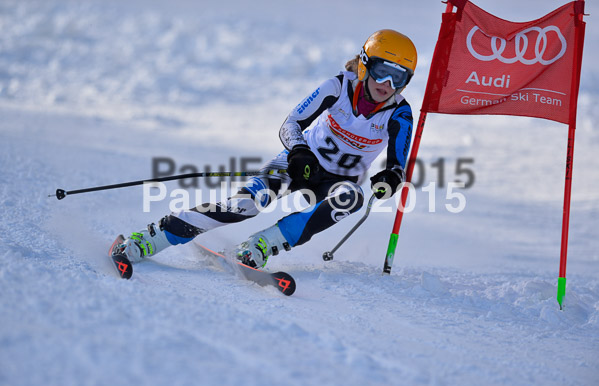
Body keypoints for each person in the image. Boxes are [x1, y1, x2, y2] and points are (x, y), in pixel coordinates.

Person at [115, 29, 417, 269]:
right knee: (247, 204)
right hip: (301, 163)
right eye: (381, 70)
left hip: (338, 182)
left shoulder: (399, 113)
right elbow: (290, 124)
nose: (387, 83)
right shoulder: (337, 87)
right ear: (365, 64)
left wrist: (390, 179)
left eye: (399, 77)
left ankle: (261, 245)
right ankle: (153, 237)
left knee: (351, 198)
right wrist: (300, 152)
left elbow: (396, 166)